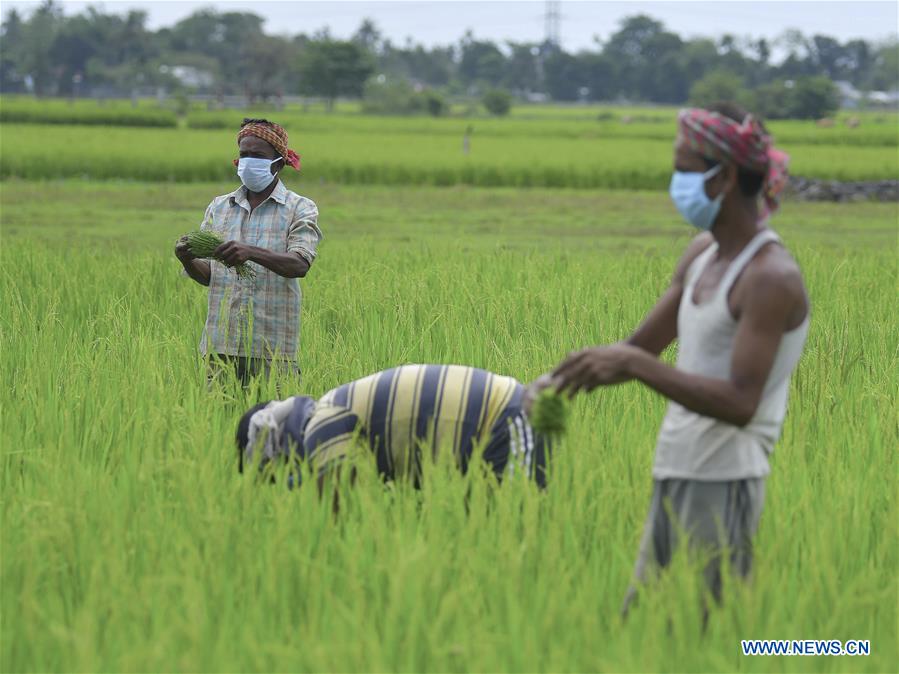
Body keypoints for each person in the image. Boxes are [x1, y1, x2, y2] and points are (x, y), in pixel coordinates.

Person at [539, 102, 810, 611]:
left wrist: (637, 367)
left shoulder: (770, 278)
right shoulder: (701, 254)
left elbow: (740, 402)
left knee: (703, 638)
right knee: (642, 626)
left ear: (724, 177)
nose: (675, 183)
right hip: (675, 469)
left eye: (684, 169)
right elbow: (638, 347)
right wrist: (549, 383)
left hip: (725, 483)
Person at [235, 364, 553, 491]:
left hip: (507, 419)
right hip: (497, 423)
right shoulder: (331, 408)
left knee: (515, 544)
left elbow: (336, 520)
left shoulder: (321, 426)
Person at [175, 118, 321, 386]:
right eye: (244, 155)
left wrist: (251, 252)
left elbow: (299, 264)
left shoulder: (300, 208)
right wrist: (187, 258)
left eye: (258, 155)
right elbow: (209, 276)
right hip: (220, 347)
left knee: (274, 423)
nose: (249, 161)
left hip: (272, 349)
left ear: (278, 162)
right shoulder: (219, 207)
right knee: (216, 421)